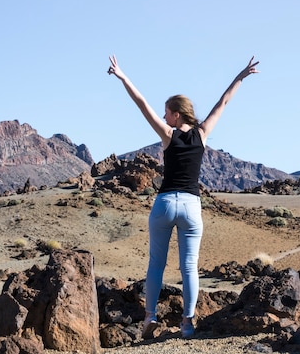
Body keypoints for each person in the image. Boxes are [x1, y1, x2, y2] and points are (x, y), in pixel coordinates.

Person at [107, 54, 259, 339]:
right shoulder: (202, 134)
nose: (164, 117)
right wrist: (241, 76)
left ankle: (150, 316)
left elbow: (141, 105)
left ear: (177, 114)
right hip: (190, 205)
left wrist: (123, 77)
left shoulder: (168, 135)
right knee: (189, 267)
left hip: (165, 203)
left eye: (167, 112)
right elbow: (223, 102)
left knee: (156, 264)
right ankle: (187, 323)